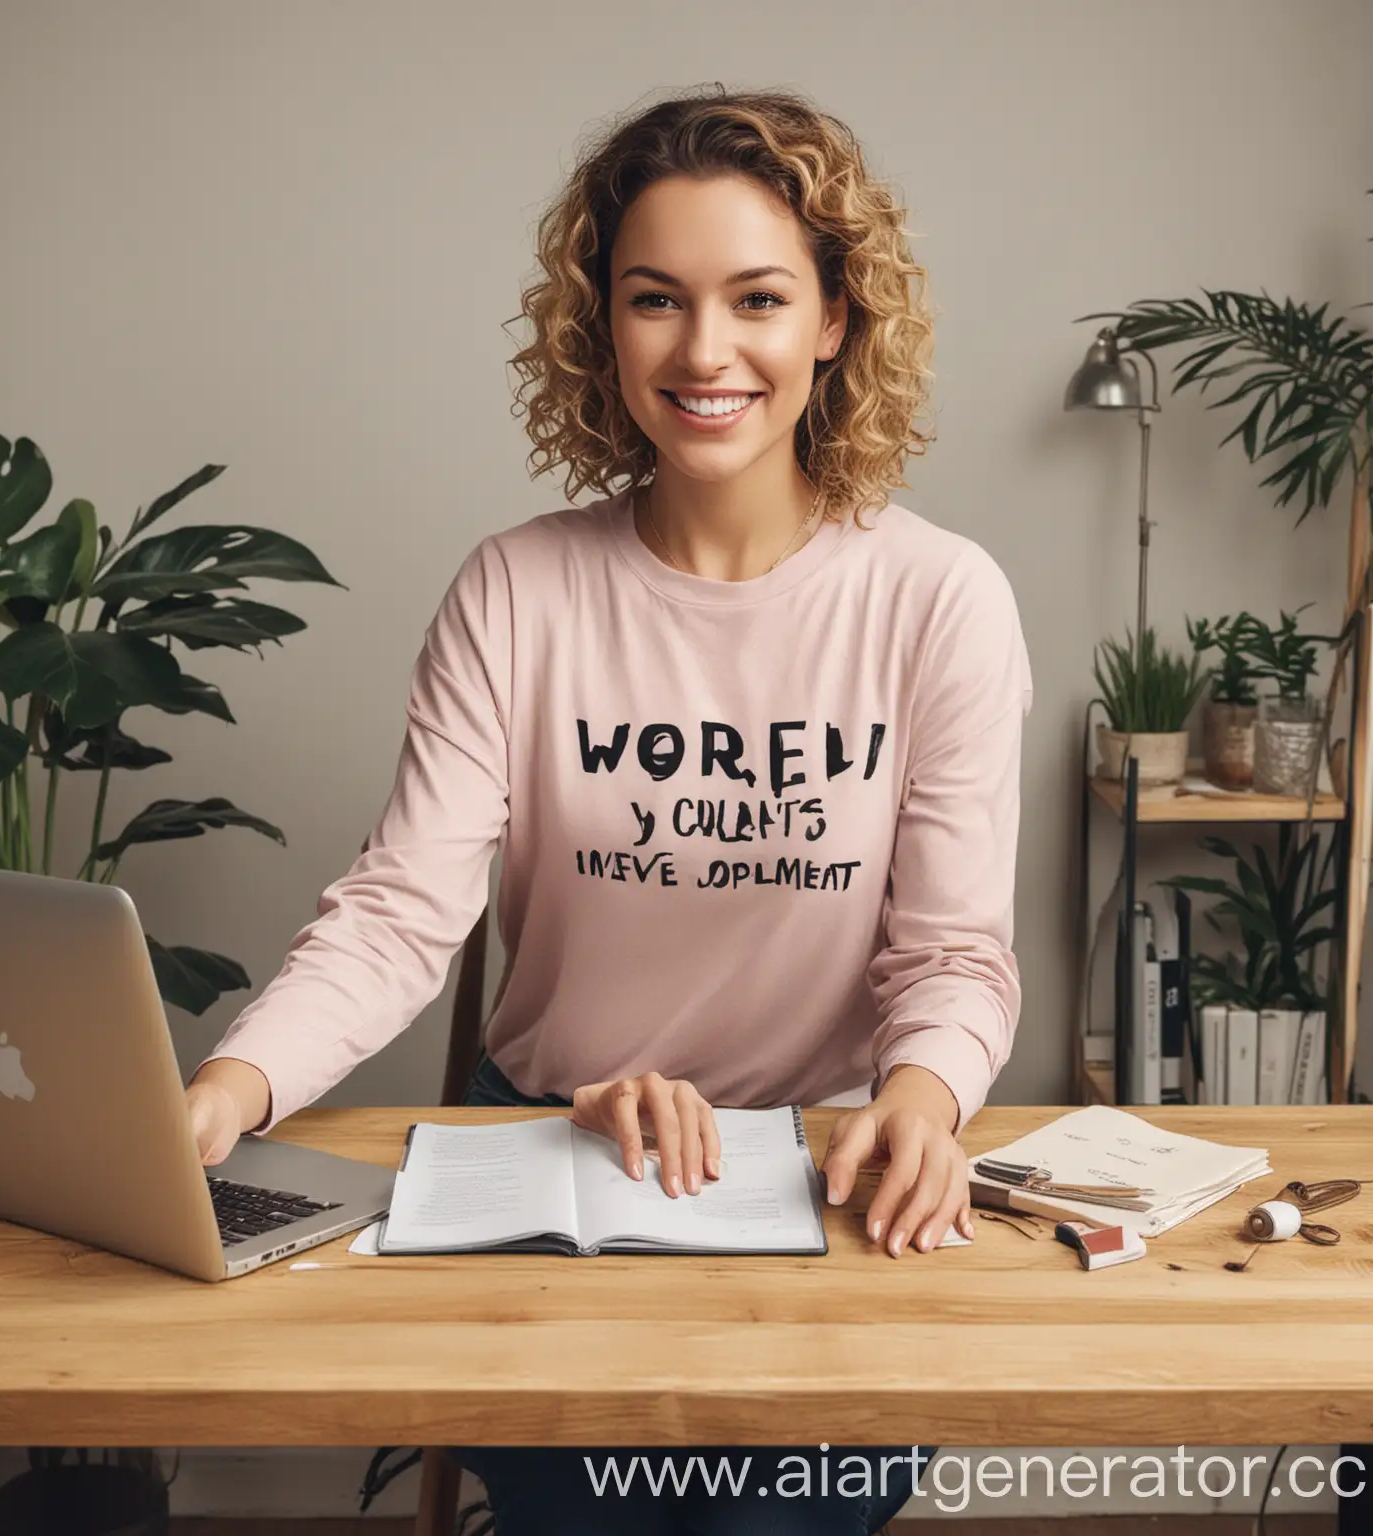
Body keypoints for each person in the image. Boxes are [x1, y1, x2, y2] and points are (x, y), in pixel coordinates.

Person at [186, 83, 1032, 1536]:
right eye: (657, 300)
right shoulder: (517, 590)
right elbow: (399, 915)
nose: (706, 351)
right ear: (604, 325)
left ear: (834, 320)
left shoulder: (936, 600)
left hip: (823, 1186)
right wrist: (229, 1088)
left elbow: (953, 955)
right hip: (544, 1169)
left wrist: (918, 1104)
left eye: (758, 297)